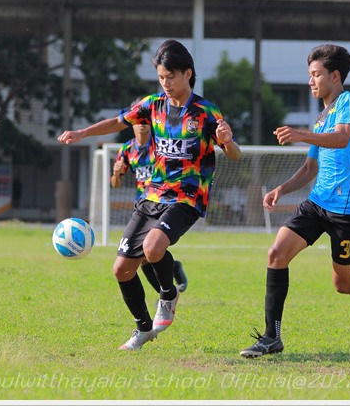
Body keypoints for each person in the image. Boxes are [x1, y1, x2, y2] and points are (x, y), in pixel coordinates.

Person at [59, 39, 241, 351]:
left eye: (171, 76)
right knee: (121, 269)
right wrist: (83, 133)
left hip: (187, 197)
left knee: (153, 248)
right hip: (151, 196)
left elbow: (234, 155)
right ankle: (143, 328)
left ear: (188, 74)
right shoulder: (153, 105)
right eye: (161, 77)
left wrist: (229, 140)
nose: (166, 83)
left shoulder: (206, 112)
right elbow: (118, 121)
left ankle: (168, 294)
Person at [240, 44, 350, 359]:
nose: (311, 81)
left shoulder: (347, 102)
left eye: (316, 75)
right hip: (316, 204)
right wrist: (282, 189)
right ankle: (272, 337)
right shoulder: (321, 117)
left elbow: (342, 138)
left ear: (335, 75)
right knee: (276, 254)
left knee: (344, 284)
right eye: (310, 75)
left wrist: (300, 135)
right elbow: (310, 168)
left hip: (348, 212)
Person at [110, 121, 189, 293]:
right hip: (143, 206)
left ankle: (166, 293)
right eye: (138, 121)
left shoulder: (160, 144)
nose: (142, 125)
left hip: (163, 202)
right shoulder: (127, 149)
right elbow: (115, 184)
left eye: (146, 121)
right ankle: (169, 280)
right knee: (143, 257)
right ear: (131, 124)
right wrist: (116, 173)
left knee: (149, 250)